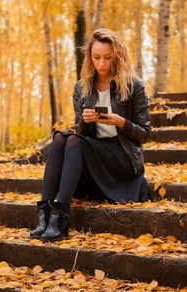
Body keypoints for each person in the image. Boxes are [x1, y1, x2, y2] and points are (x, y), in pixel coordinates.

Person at [30, 28, 151, 242]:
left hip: (122, 158)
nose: (102, 63)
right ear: (89, 57)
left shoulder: (134, 86)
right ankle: (46, 214)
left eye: (107, 57)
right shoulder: (82, 88)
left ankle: (60, 218)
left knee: (73, 140)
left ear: (118, 56)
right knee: (60, 138)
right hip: (95, 154)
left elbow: (144, 134)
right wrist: (85, 122)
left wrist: (121, 122)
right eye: (96, 57)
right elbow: (82, 134)